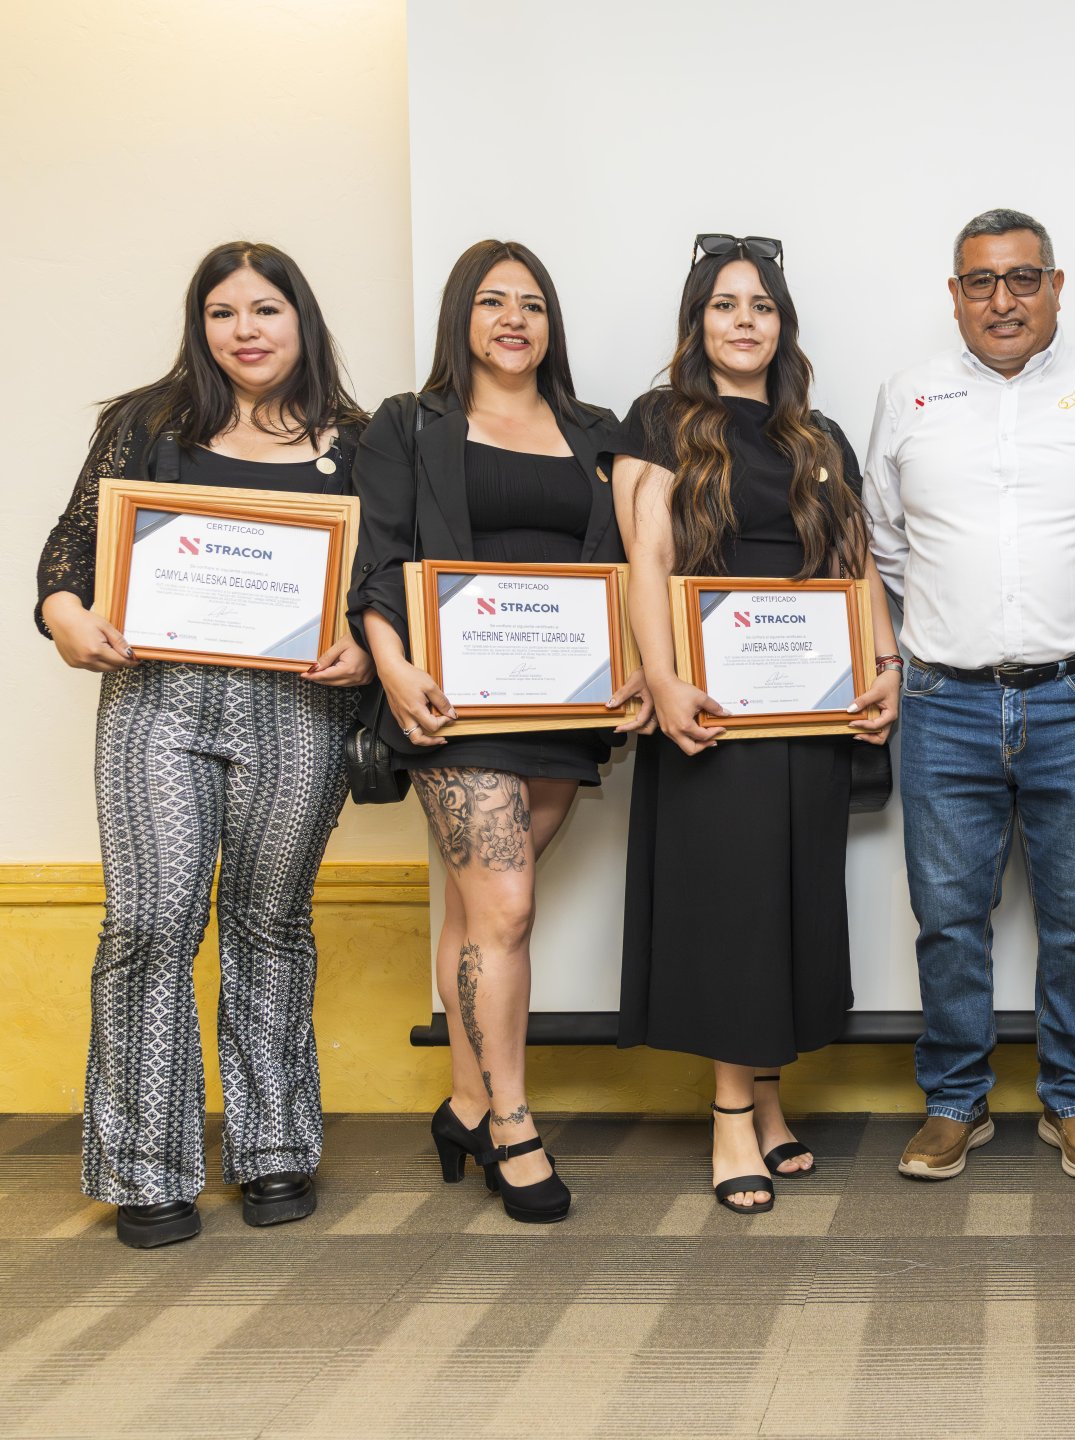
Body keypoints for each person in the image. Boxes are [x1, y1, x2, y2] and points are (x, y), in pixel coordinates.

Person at [34, 241, 375, 1247]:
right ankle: (146, 1170)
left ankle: (275, 1151)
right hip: (157, 699)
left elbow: (385, 580)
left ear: (301, 320)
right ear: (201, 326)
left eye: (266, 310)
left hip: (300, 707)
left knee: (270, 922)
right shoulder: (145, 424)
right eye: (224, 313)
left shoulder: (360, 442)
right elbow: (70, 550)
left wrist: (365, 645)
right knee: (149, 923)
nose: (246, 330)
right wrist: (63, 615)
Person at [864, 208, 1075, 1182]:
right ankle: (954, 1102)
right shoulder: (907, 396)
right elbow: (885, 542)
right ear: (955, 295)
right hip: (943, 703)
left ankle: (1074, 1100)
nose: (1004, 300)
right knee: (948, 919)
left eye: (1023, 278)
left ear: (1056, 286)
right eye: (982, 282)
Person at [350, 239, 647, 1225]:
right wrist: (393, 667)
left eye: (531, 303)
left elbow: (634, 562)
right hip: (453, 703)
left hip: (563, 706)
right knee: (508, 906)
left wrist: (639, 665)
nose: (513, 319)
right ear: (461, 317)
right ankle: (512, 1123)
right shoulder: (408, 424)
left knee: (479, 913)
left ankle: (464, 1105)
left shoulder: (597, 431)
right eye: (491, 301)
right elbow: (379, 558)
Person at [610, 234, 899, 1214]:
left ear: (784, 325)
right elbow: (648, 560)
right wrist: (663, 680)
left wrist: (886, 668)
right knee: (733, 907)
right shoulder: (659, 421)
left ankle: (768, 1101)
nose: (744, 321)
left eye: (762, 306)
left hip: (810, 708)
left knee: (788, 901)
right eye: (725, 304)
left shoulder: (817, 436)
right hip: (712, 705)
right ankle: (731, 1115)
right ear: (698, 322)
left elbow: (856, 563)